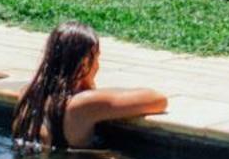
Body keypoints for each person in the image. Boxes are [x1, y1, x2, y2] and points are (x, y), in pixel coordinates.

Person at [11, 21, 168, 150]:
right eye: (97, 58)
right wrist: (91, 87)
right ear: (85, 63)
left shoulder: (28, 94)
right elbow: (158, 100)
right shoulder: (82, 104)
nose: (97, 66)